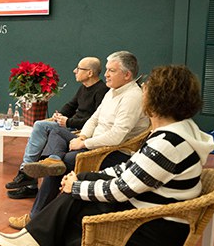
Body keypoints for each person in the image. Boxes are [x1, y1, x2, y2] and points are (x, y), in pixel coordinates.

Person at [0, 65, 214, 246]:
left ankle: (33, 238)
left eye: (146, 90)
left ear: (159, 98)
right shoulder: (177, 131)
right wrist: (80, 181)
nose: (142, 94)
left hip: (153, 230)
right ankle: (32, 239)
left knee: (73, 229)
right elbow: (130, 168)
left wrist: (77, 186)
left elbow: (119, 190)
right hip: (151, 213)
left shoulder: (167, 144)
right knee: (82, 181)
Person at [8, 51, 150, 229]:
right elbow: (94, 119)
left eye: (111, 71)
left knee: (64, 161)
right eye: (106, 70)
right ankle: (54, 160)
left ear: (127, 75)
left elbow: (117, 137)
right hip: (94, 141)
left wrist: (83, 143)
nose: (106, 74)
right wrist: (82, 136)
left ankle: (35, 217)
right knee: (53, 129)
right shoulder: (113, 91)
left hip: (113, 151)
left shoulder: (132, 97)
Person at [6, 57, 109, 200]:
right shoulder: (83, 87)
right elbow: (71, 105)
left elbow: (94, 121)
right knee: (41, 135)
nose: (75, 71)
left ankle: (25, 172)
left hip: (80, 132)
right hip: (70, 126)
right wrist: (59, 115)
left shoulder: (102, 91)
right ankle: (29, 183)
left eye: (79, 69)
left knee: (40, 126)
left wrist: (68, 121)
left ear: (90, 73)